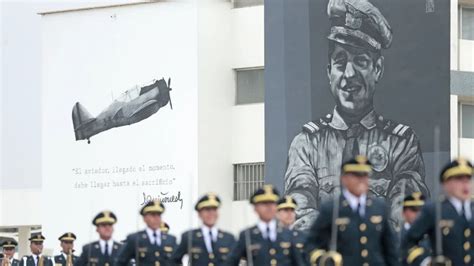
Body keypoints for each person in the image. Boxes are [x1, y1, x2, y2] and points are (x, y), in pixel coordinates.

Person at [284, 0, 429, 230]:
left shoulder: (402, 143)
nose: (349, 74)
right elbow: (298, 209)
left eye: (360, 61)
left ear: (377, 69)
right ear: (329, 72)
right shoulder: (307, 144)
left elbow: (407, 211)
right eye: (340, 63)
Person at [305, 155, 399, 266]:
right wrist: (324, 260)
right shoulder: (332, 209)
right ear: (344, 178)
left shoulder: (378, 207)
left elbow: (389, 248)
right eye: (357, 175)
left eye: (365, 175)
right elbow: (312, 244)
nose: (361, 180)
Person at [402, 158, 474, 265]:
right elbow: (407, 243)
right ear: (446, 184)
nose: (465, 183)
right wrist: (426, 262)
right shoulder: (435, 210)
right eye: (459, 179)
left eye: (468, 178)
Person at [227, 185, 304, 266]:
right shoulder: (247, 235)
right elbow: (231, 262)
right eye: (264, 203)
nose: (269, 207)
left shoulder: (289, 235)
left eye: (272, 203)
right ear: (255, 208)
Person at [172, 193, 236, 265]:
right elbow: (174, 260)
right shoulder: (189, 237)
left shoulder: (229, 238)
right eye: (207, 210)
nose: (211, 213)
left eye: (214, 209)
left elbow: (235, 261)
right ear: (199, 214)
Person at [116, 200, 177, 266]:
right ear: (145, 218)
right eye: (153, 215)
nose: (156, 218)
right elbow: (120, 263)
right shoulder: (135, 239)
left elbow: (177, 262)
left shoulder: (171, 240)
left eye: (159, 215)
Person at [400, 193, 430, 265]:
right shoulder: (397, 237)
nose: (419, 213)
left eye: (422, 210)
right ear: (403, 213)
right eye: (414, 210)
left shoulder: (433, 236)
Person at [276, 196, 308, 263]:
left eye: (292, 210)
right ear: (277, 213)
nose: (289, 214)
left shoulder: (302, 236)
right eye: (286, 210)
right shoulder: (272, 235)